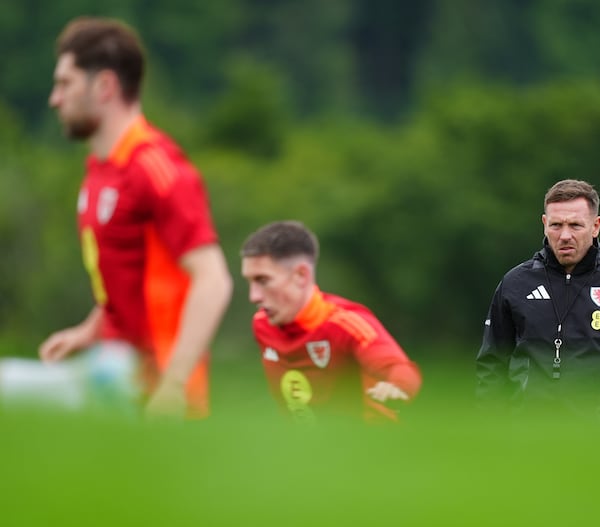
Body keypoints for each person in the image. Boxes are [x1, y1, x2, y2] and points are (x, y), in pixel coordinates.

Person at [4, 16, 232, 418]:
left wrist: (174, 385)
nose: (55, 99)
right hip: (112, 362)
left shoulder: (155, 167)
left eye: (65, 84)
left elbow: (213, 280)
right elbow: (131, 282)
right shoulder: (101, 169)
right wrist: (88, 331)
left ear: (105, 86)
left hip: (145, 382)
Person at [476, 179, 600, 418]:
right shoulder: (516, 283)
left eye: (575, 225)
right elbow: (492, 365)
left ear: (596, 226)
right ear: (544, 224)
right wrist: (495, 428)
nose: (564, 235)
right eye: (556, 225)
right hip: (528, 435)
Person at [240, 220, 422, 423]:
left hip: (368, 446)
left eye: (263, 281)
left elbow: (400, 368)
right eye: (249, 282)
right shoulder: (262, 324)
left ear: (301, 276)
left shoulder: (345, 323)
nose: (253, 296)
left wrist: (396, 387)